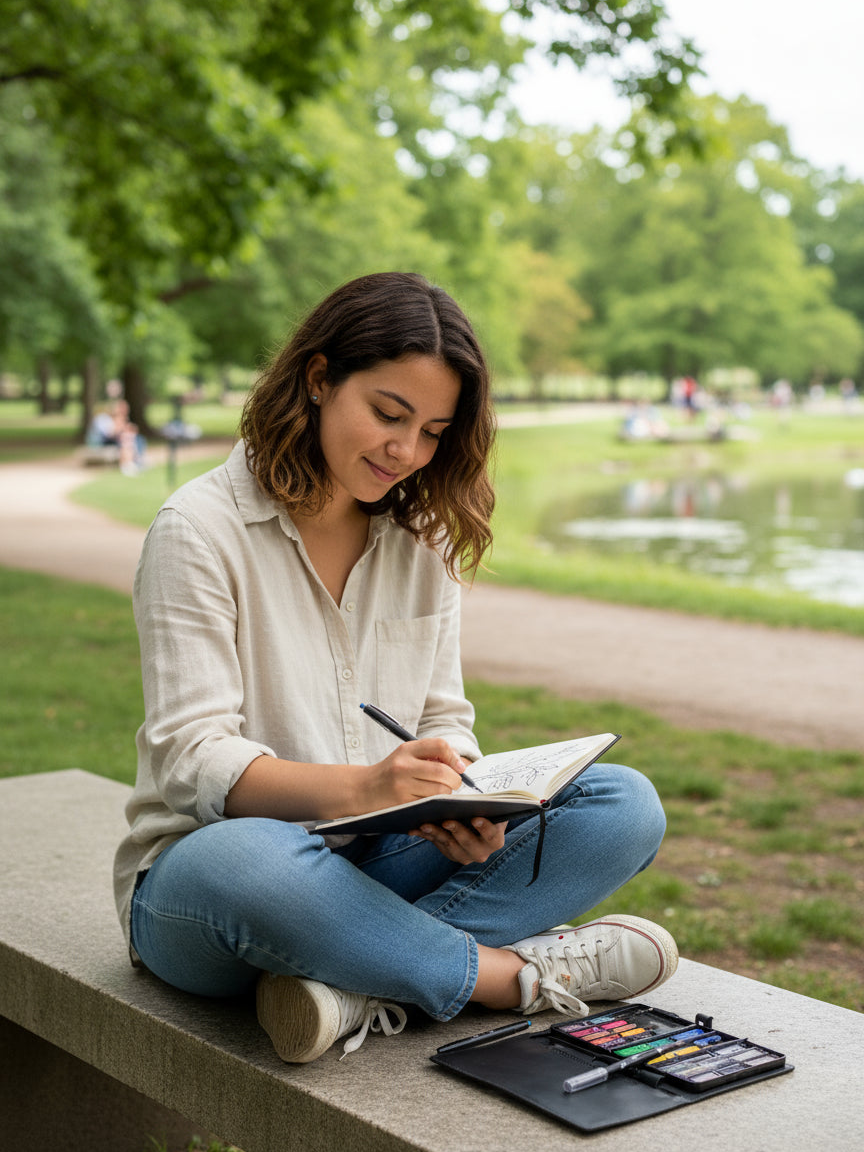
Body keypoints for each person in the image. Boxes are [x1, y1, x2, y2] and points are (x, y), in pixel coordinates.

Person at [113, 272, 676, 1064]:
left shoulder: (423, 544)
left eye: (434, 431)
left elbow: (444, 719)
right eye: (388, 414)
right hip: (217, 891)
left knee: (624, 802)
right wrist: (366, 789)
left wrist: (466, 800)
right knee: (247, 857)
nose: (406, 452)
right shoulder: (197, 530)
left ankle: (353, 988)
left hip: (385, 861)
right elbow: (191, 759)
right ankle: (510, 977)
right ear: (318, 379)